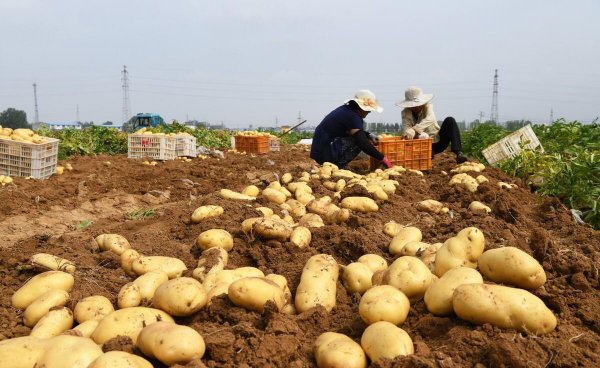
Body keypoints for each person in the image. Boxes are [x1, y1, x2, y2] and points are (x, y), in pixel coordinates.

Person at [310, 90, 393, 169]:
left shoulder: (346, 110)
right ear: (362, 108)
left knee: (361, 137)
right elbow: (362, 143)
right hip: (324, 152)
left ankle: (335, 164)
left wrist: (368, 135)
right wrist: (382, 158)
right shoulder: (353, 116)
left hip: (320, 150)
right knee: (359, 141)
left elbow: (351, 131)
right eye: (368, 110)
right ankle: (337, 165)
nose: (369, 113)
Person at [396, 86, 468, 164]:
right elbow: (405, 128)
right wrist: (408, 132)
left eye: (418, 104)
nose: (417, 107)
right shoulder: (405, 112)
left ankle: (458, 153)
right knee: (424, 158)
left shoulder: (427, 106)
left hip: (437, 139)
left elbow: (430, 119)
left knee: (450, 120)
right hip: (422, 145)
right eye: (414, 106)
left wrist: (414, 129)